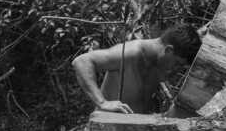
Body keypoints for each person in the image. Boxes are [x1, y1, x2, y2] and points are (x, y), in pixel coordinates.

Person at [72, 24, 202, 114]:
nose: (176, 69)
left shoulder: (159, 63)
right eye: (177, 63)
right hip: (106, 130)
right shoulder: (133, 52)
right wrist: (102, 102)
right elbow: (82, 62)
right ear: (168, 50)